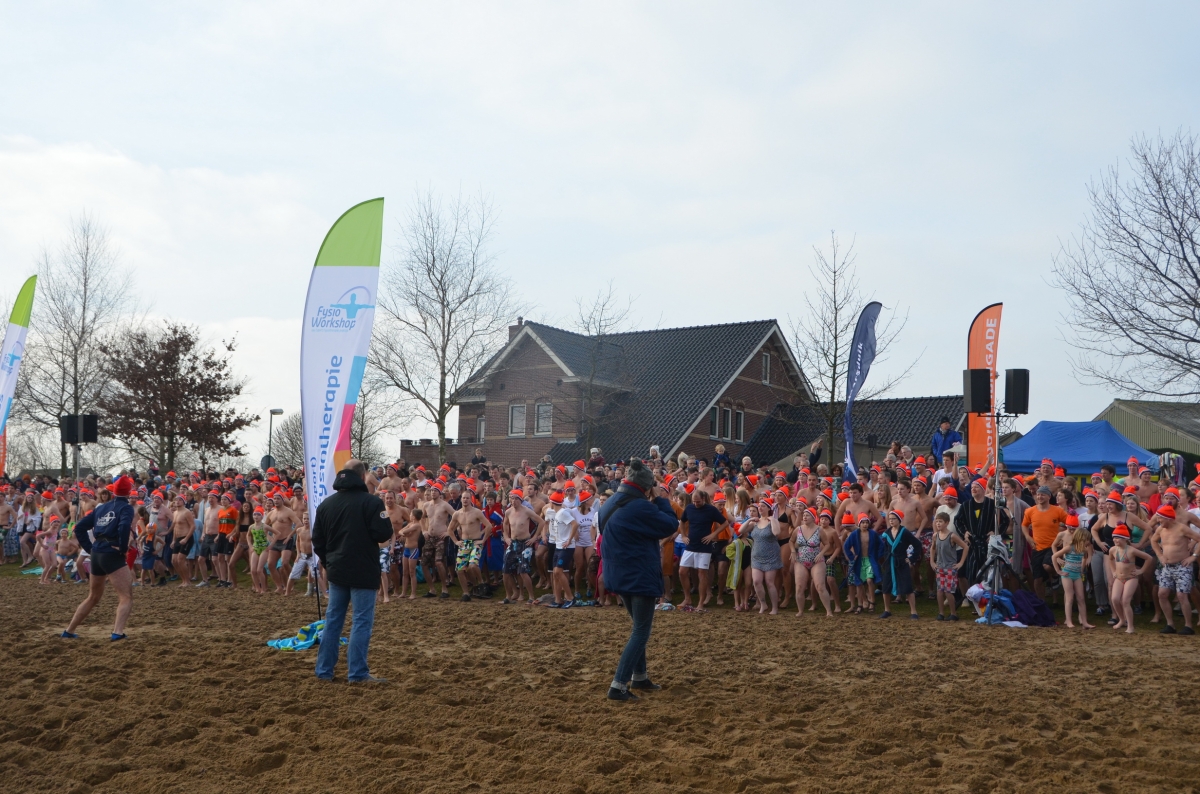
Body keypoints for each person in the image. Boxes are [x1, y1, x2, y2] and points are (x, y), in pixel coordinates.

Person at [598, 459, 679, 701]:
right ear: (646, 486)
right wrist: (662, 499)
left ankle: (640, 676)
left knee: (638, 627)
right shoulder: (641, 506)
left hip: (617, 572)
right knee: (641, 630)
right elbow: (670, 524)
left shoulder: (610, 502)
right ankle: (618, 685)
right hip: (638, 573)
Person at [312, 460, 393, 683]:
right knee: (361, 621)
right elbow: (383, 534)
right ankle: (357, 673)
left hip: (337, 569)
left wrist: (328, 561)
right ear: (363, 476)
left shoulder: (326, 504)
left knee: (333, 620)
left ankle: (324, 670)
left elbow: (317, 540)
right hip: (363, 569)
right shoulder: (371, 502)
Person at [61, 475, 136, 641]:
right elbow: (124, 526)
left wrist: (90, 549)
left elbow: (79, 527)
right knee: (126, 596)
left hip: (97, 552)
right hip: (111, 552)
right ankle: (117, 632)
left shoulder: (102, 507)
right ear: (129, 492)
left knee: (93, 597)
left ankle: (69, 630)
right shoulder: (126, 508)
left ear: (114, 491)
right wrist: (123, 548)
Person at [1052, 515, 1094, 629]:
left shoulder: (1083, 549)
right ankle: (1069, 621)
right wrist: (1058, 571)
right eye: (1086, 540)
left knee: (1081, 598)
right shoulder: (1069, 547)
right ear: (1081, 538)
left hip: (1077, 575)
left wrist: (1081, 569)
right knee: (1069, 597)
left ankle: (1084, 621)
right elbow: (1054, 556)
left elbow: (1085, 557)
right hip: (1067, 574)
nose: (1088, 542)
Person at [930, 508, 967, 620]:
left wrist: (961, 562)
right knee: (939, 590)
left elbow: (965, 547)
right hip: (939, 566)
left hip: (950, 567)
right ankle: (941, 613)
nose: (938, 523)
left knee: (948, 591)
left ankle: (953, 613)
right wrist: (932, 561)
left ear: (946, 523)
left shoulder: (952, 536)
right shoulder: (935, 536)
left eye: (940, 521)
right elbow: (932, 548)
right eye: (936, 521)